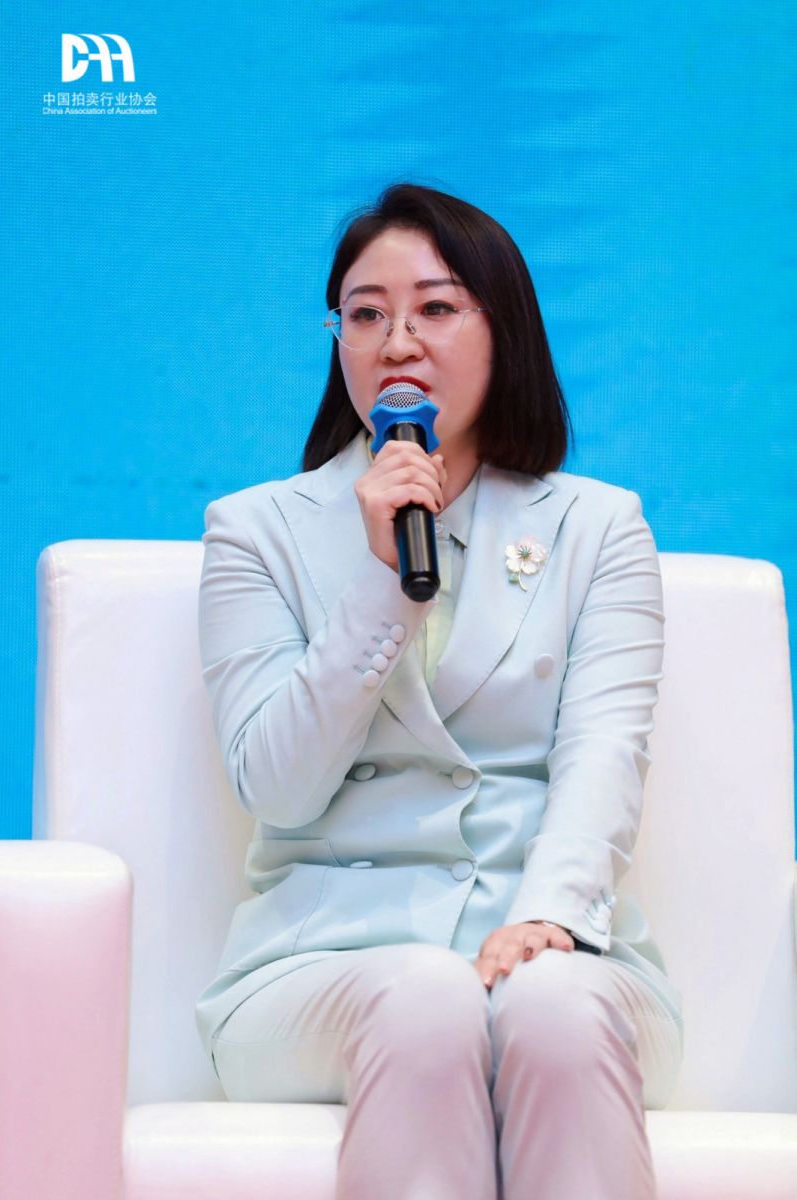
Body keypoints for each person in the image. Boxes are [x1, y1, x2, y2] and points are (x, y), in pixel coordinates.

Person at [194, 183, 684, 1200]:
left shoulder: (596, 529)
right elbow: (276, 786)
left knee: (551, 1005)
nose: (396, 343)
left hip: (550, 942)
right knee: (426, 996)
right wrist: (383, 583)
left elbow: (603, 754)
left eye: (435, 308)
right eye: (365, 314)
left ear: (503, 330)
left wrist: (549, 919)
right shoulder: (256, 532)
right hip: (320, 968)